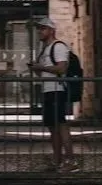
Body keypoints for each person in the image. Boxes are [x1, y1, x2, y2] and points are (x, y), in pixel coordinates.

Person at [35, 23, 84, 169]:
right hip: (48, 90)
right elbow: (43, 72)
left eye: (43, 29)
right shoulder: (45, 49)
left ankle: (71, 160)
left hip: (57, 90)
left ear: (51, 30)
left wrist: (41, 67)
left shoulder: (59, 47)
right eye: (39, 29)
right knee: (52, 126)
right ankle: (57, 160)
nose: (40, 31)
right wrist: (37, 68)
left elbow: (62, 68)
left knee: (61, 125)